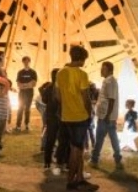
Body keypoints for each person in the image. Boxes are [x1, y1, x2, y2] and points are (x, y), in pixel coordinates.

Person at [56, 45, 99, 191]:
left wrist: (67, 105)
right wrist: (90, 112)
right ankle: (71, 182)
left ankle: (80, 179)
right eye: (84, 60)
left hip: (66, 116)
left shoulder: (60, 73)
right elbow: (86, 98)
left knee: (78, 149)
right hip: (80, 117)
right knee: (76, 150)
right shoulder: (82, 74)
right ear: (81, 59)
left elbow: (57, 96)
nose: (84, 63)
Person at [89, 61, 123, 170]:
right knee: (111, 138)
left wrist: (108, 115)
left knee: (101, 138)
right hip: (105, 116)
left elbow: (111, 99)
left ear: (109, 70)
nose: (101, 71)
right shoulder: (107, 81)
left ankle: (95, 159)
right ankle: (116, 158)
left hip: (106, 117)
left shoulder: (110, 81)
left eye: (103, 69)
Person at [15, 56, 38, 132]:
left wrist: (25, 85)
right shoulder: (20, 72)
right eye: (25, 61)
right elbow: (18, 84)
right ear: (23, 62)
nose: (26, 62)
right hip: (22, 93)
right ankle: (18, 125)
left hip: (29, 93)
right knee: (20, 108)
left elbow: (34, 83)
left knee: (27, 109)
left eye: (27, 61)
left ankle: (27, 125)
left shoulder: (33, 72)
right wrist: (27, 85)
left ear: (29, 62)